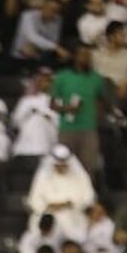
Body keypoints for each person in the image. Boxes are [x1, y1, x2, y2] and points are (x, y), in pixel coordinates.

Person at [50, 45, 106, 178]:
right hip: (67, 129)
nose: (86, 58)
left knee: (88, 167)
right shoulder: (62, 77)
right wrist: (67, 109)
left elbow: (101, 101)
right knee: (65, 165)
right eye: (83, 54)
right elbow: (52, 104)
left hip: (89, 129)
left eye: (88, 55)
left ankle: (86, 191)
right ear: (75, 57)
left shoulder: (97, 78)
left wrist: (97, 117)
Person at [28, 145, 95, 240]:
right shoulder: (42, 177)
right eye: (58, 165)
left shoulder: (80, 176)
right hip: (48, 215)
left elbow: (89, 198)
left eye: (64, 165)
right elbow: (34, 199)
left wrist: (70, 204)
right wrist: (49, 206)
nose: (61, 167)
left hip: (73, 216)